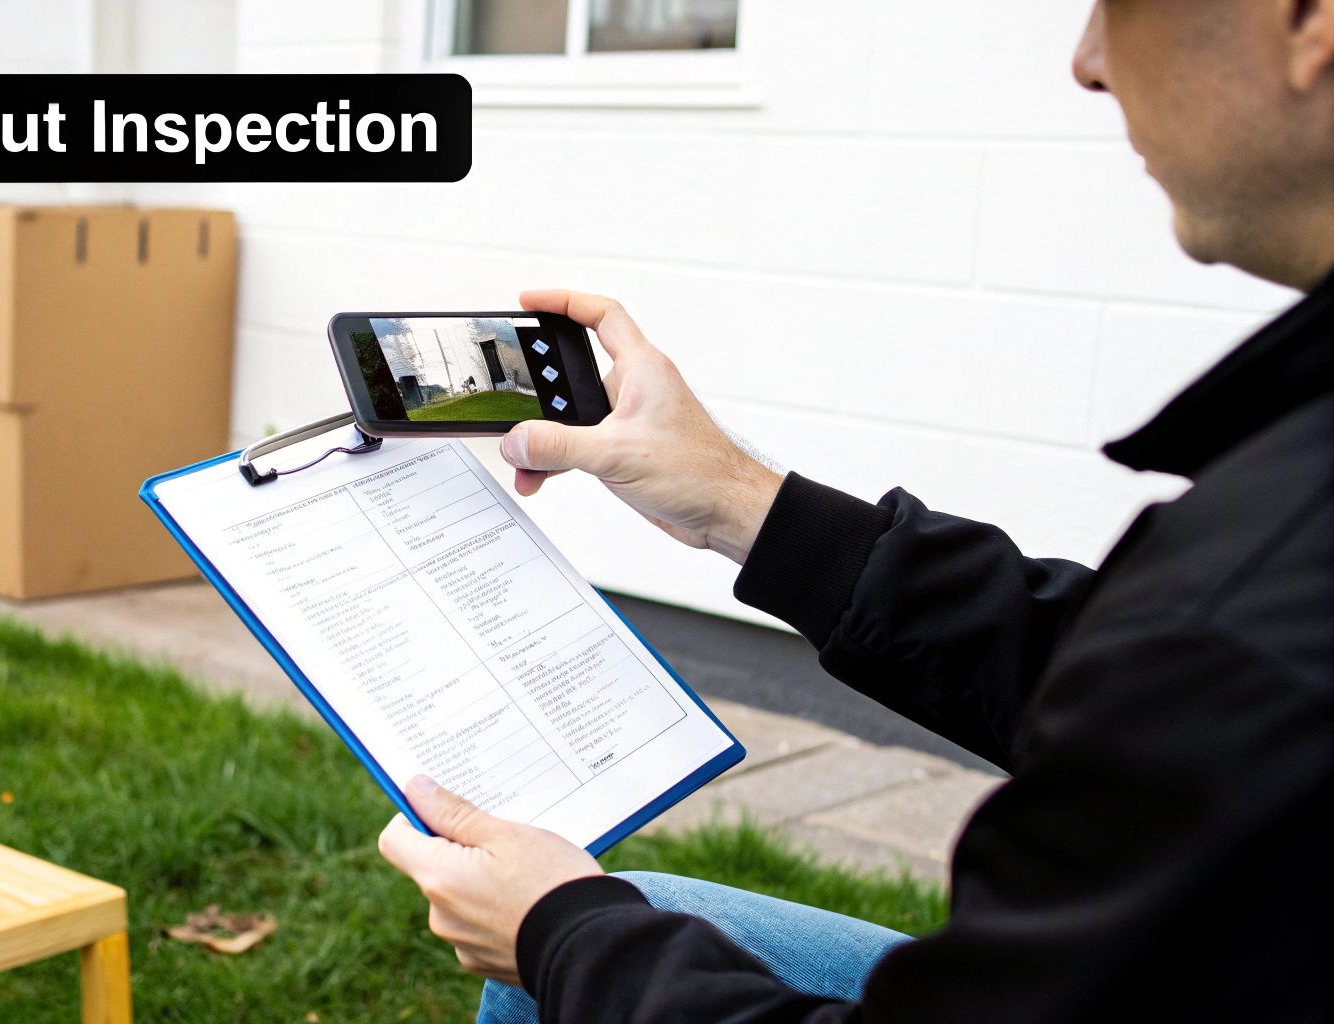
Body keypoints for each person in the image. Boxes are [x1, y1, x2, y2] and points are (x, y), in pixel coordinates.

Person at [377, 2, 1334, 1020]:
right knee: (631, 912)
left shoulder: (1255, 600)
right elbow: (1128, 694)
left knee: (563, 956)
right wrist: (740, 501)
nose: (1086, 61)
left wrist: (565, 937)